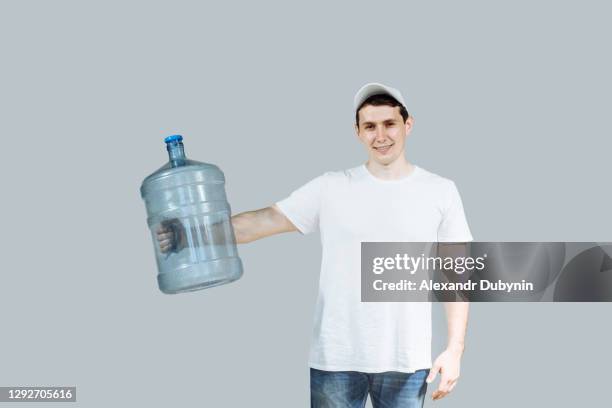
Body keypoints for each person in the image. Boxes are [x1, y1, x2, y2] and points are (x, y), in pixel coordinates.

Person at [157, 83, 472, 407]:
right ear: (358, 132)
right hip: (336, 360)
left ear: (408, 124)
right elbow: (264, 221)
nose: (381, 136)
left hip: (407, 361)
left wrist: (454, 350)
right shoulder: (331, 188)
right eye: (370, 126)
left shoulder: (440, 191)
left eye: (389, 123)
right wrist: (189, 235)